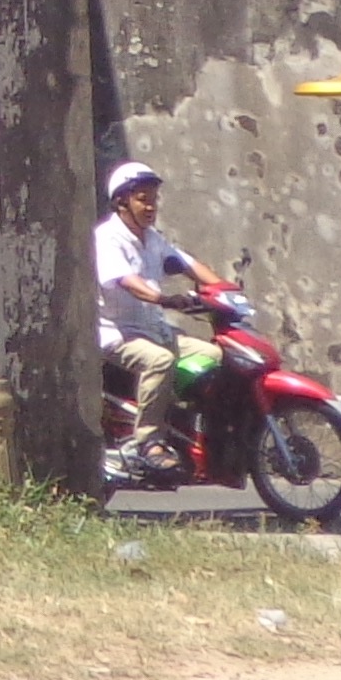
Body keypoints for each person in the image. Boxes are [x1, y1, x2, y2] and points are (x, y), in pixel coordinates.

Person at [95, 158, 208, 484]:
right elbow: (128, 282)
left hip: (153, 329)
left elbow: (188, 264)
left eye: (153, 199)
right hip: (117, 333)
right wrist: (164, 298)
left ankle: (181, 426)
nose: (150, 206)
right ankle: (148, 441)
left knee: (213, 356)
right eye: (142, 198)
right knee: (160, 361)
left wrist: (225, 291)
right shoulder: (108, 239)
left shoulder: (153, 239)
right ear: (122, 202)